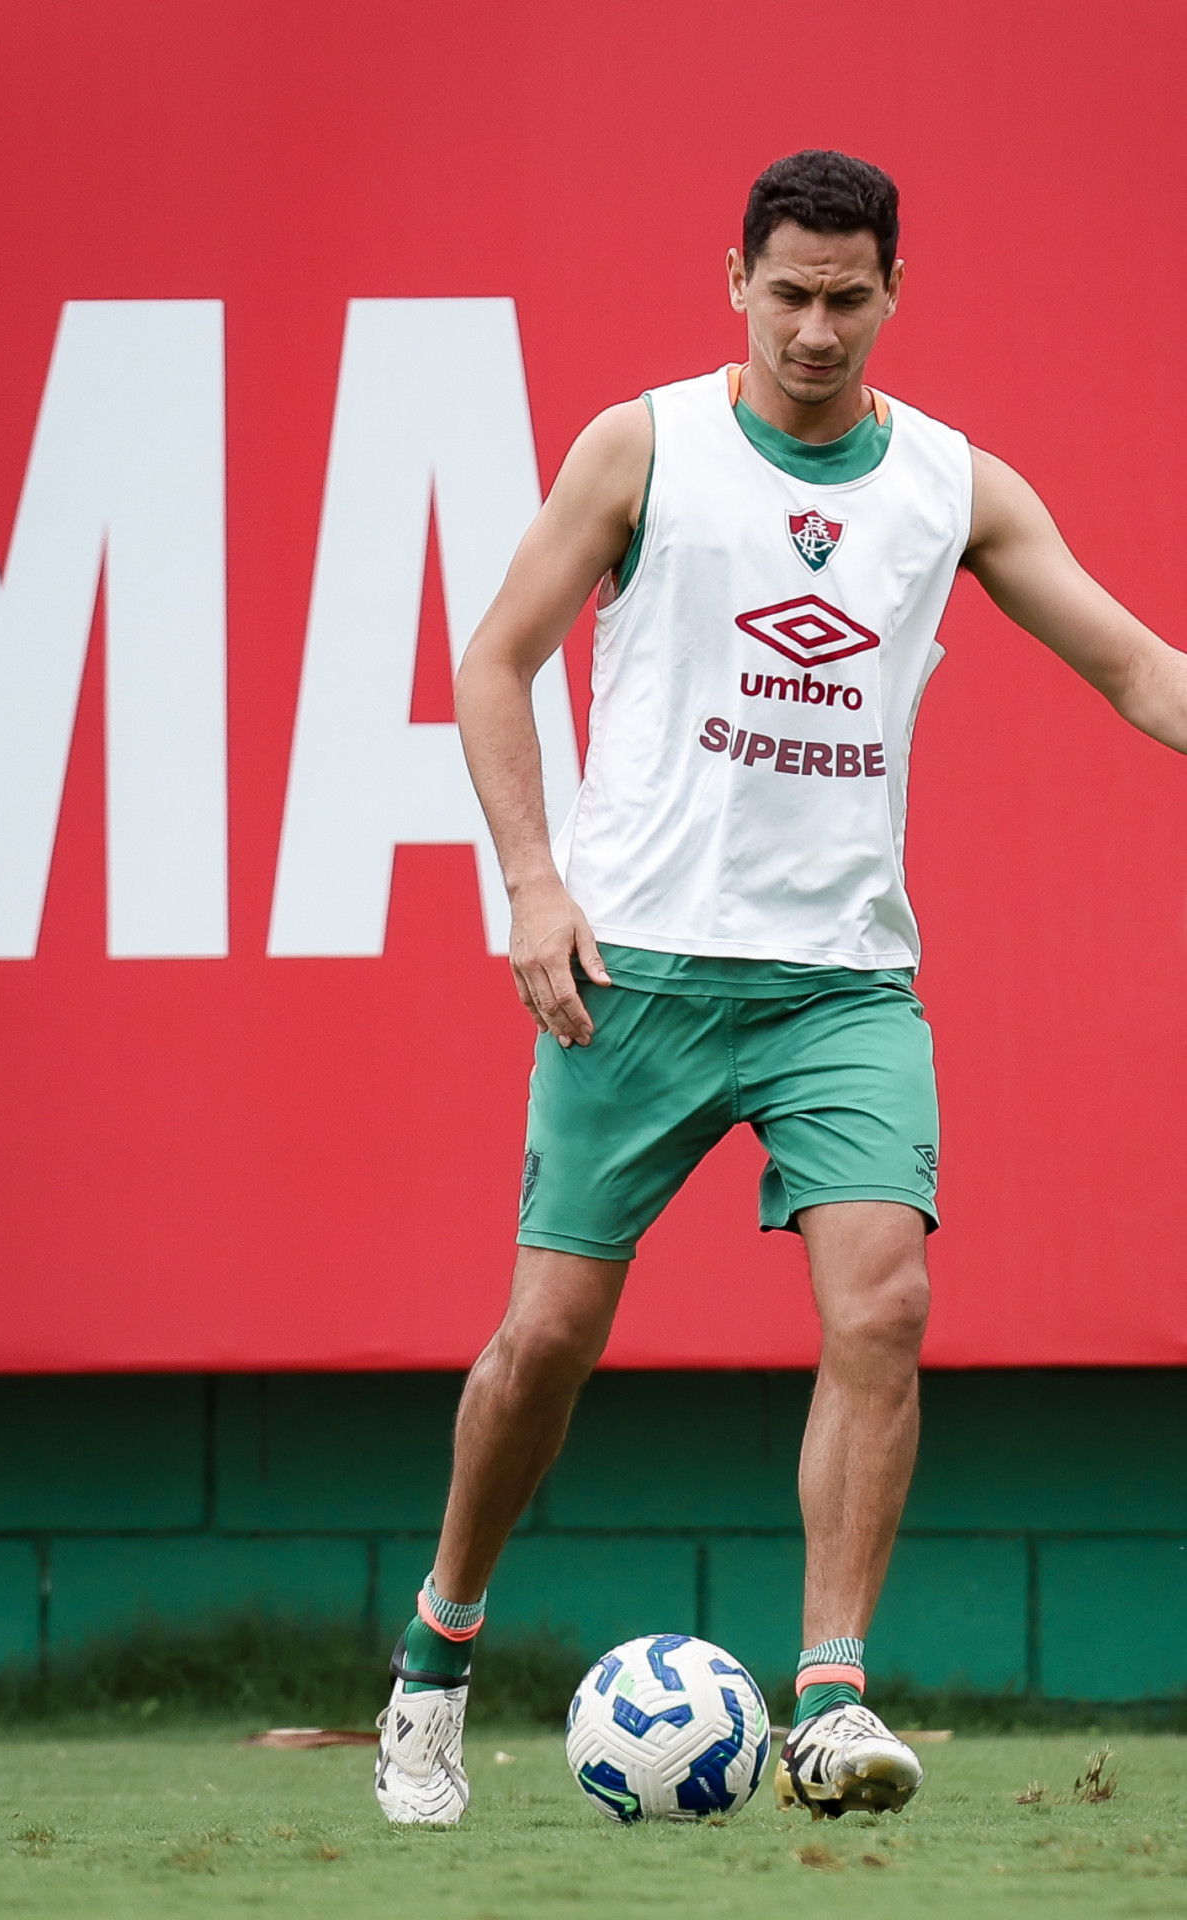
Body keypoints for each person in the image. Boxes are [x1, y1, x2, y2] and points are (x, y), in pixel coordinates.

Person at [374, 149, 1187, 1825]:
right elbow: (493, 660)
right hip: (635, 973)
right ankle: (437, 1659)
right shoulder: (642, 448)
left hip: (844, 990)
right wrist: (532, 883)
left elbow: (1136, 667)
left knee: (884, 1304)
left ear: (895, 293)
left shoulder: (955, 486)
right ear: (735, 280)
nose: (816, 328)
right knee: (546, 1342)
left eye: (848, 297)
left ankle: (828, 1696)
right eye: (790, 293)